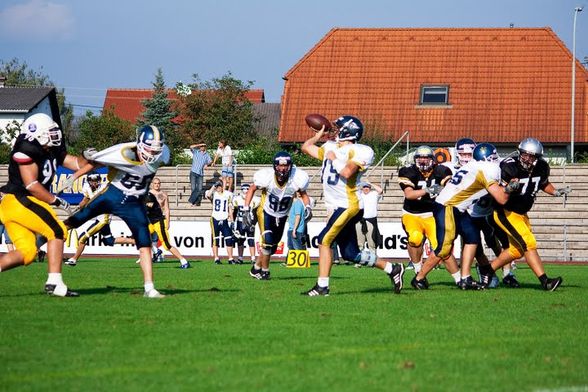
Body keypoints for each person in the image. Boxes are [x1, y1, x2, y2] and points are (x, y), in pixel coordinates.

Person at [301, 115, 405, 296]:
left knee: (323, 241)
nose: (334, 130)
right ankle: (392, 269)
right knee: (350, 253)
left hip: (348, 205)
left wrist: (333, 158)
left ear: (347, 131)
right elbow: (306, 147)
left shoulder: (361, 150)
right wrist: (318, 136)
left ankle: (322, 286)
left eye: (338, 127)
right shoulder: (330, 146)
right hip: (337, 205)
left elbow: (347, 172)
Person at [64, 125, 170, 298]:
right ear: (140, 144)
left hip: (134, 203)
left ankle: (150, 288)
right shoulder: (122, 152)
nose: (153, 153)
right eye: (150, 148)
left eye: (156, 149)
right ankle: (39, 240)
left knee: (144, 244)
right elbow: (95, 162)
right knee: (74, 221)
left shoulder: (164, 154)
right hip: (112, 195)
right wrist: (75, 176)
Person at [0, 112, 86, 297]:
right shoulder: (27, 148)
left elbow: (77, 163)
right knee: (56, 231)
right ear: (35, 134)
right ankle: (54, 283)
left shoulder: (50, 149)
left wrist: (89, 157)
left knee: (27, 252)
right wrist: (55, 200)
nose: (54, 134)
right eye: (49, 131)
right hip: (20, 200)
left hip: (14, 205)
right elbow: (32, 185)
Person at [411, 143, 517, 290]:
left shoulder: (472, 166)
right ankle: (419, 278)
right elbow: (502, 198)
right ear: (489, 158)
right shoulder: (487, 169)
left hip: (457, 207)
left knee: (472, 237)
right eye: (493, 157)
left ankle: (465, 278)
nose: (495, 160)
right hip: (448, 206)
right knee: (443, 249)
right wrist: (511, 187)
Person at [478, 138, 569, 291]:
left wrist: (555, 192)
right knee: (528, 244)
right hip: (505, 212)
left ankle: (487, 270)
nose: (526, 158)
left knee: (516, 250)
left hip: (521, 213)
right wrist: (509, 187)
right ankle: (545, 281)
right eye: (524, 154)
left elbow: (543, 183)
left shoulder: (542, 167)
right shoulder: (509, 166)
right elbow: (500, 192)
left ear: (538, 157)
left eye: (531, 156)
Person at [244, 151, 310, 280]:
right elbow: (252, 189)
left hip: (282, 215)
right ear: (275, 166)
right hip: (266, 212)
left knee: (272, 247)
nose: (283, 168)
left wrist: (307, 207)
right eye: (280, 165)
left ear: (290, 166)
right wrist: (246, 208)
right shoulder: (267, 177)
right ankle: (265, 271)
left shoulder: (296, 179)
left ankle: (256, 268)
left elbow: (304, 194)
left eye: (285, 165)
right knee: (268, 242)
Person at [397, 146, 460, 281]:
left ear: (432, 159)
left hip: (433, 214)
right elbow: (409, 194)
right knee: (414, 238)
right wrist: (428, 190)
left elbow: (449, 185)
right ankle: (418, 270)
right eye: (420, 158)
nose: (423, 161)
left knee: (442, 247)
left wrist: (448, 186)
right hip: (412, 213)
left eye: (426, 157)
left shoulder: (441, 170)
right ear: (415, 159)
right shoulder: (408, 171)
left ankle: (460, 279)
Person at [65, 173, 134, 266]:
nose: (94, 183)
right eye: (92, 181)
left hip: (104, 217)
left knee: (82, 238)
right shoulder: (87, 187)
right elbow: (86, 198)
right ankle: (136, 241)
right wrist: (82, 203)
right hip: (98, 217)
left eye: (96, 181)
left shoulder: (103, 188)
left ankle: (74, 259)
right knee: (109, 241)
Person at [146, 177, 190, 269]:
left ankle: (183, 261)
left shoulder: (163, 195)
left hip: (159, 221)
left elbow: (166, 209)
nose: (157, 185)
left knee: (166, 245)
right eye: (155, 183)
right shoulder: (148, 194)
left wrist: (168, 221)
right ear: (152, 184)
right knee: (142, 236)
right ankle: (155, 250)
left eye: (158, 183)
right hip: (151, 221)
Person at [205, 181, 235, 264]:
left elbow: (230, 208)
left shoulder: (228, 194)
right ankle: (216, 258)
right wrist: (213, 186)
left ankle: (230, 258)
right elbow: (208, 195)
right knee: (216, 240)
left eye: (219, 186)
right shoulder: (213, 193)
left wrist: (232, 221)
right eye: (217, 186)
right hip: (215, 218)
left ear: (222, 186)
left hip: (224, 219)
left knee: (229, 239)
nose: (218, 188)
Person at [232, 183, 259, 264]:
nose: (245, 191)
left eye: (247, 189)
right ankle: (240, 258)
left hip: (249, 222)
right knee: (240, 240)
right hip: (240, 222)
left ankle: (253, 258)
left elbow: (256, 213)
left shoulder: (255, 200)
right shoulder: (237, 199)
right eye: (244, 189)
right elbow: (235, 211)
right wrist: (233, 222)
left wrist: (254, 223)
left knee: (251, 240)